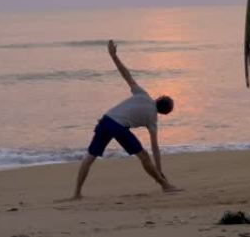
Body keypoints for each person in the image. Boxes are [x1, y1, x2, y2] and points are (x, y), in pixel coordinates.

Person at [71, 40, 180, 199]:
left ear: (157, 99)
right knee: (144, 156)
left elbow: (126, 75)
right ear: (164, 113)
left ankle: (77, 193)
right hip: (118, 126)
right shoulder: (152, 120)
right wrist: (160, 171)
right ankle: (165, 186)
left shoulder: (143, 94)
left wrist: (113, 56)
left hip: (106, 119)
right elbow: (155, 148)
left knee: (90, 157)